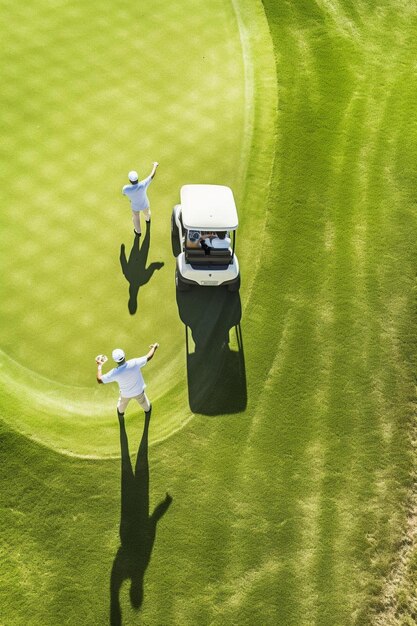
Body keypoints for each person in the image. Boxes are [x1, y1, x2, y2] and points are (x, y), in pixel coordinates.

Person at [96, 344, 159, 418]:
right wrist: (154, 347)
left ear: (114, 360)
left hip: (125, 395)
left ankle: (121, 414)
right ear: (124, 355)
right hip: (139, 392)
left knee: (120, 410)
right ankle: (147, 410)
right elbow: (148, 357)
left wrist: (99, 366)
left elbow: (99, 380)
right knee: (147, 408)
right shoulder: (134, 362)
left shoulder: (114, 372)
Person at [122, 162, 159, 236]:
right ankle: (147, 220)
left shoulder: (126, 188)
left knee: (135, 218)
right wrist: (155, 166)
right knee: (147, 213)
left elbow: (124, 194)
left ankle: (138, 232)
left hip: (135, 206)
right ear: (137, 179)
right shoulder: (143, 184)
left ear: (130, 180)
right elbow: (152, 175)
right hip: (145, 204)